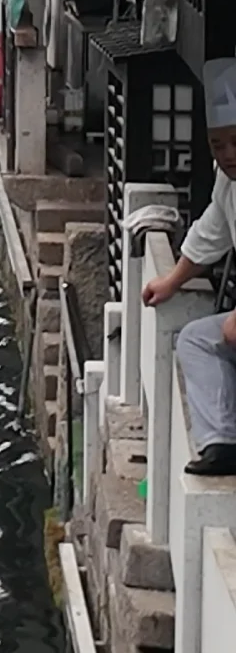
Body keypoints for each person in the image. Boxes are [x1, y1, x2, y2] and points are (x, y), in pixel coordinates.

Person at [143, 57, 236, 475]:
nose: (228, 154)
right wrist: (171, 281)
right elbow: (211, 232)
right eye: (218, 145)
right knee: (196, 339)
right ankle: (222, 444)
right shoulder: (226, 179)